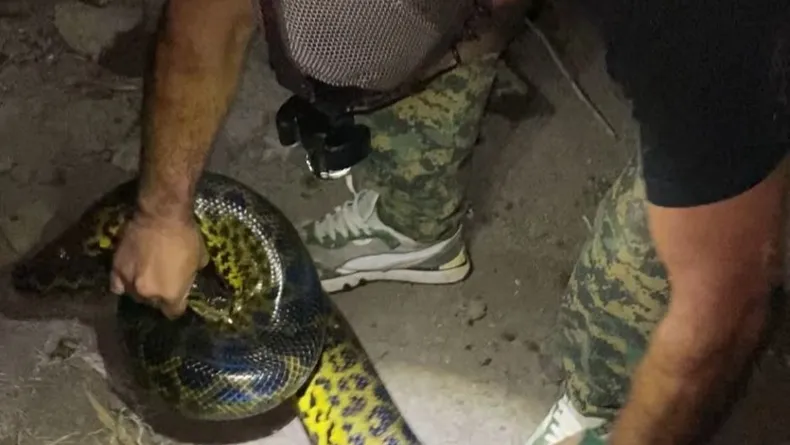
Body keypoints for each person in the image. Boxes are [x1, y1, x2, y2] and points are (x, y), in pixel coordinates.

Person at [108, 0, 790, 443]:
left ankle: (604, 404)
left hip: (737, 53)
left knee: (658, 259)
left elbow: (719, 312)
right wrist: (161, 213)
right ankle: (416, 223)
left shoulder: (699, 35)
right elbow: (204, 26)